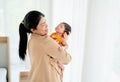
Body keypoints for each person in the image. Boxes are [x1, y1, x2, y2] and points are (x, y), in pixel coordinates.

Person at [18, 10, 71, 82]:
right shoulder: (45, 41)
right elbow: (67, 59)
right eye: (43, 24)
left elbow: (45, 58)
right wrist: (64, 41)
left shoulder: (32, 39)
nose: (47, 25)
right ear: (33, 29)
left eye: (45, 22)